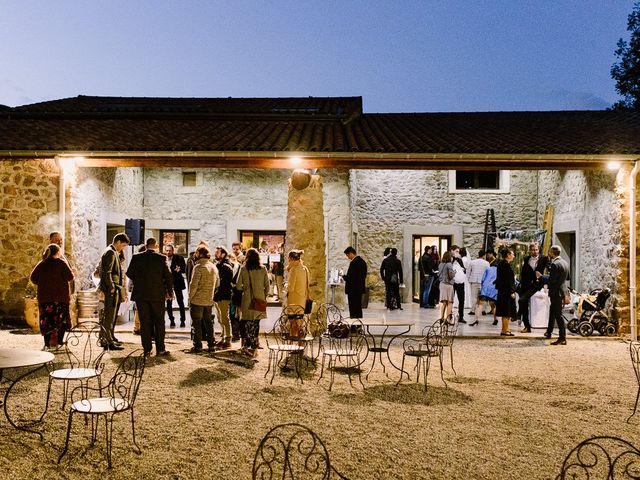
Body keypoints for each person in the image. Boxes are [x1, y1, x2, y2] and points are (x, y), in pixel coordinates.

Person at [127, 237, 174, 356]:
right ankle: (160, 349)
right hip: (157, 294)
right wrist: (169, 291)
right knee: (159, 321)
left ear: (146, 245)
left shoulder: (136, 257)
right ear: (156, 245)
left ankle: (147, 349)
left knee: (144, 321)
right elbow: (168, 276)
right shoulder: (161, 258)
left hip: (141, 294)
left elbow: (130, 274)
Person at [30, 243, 74, 349]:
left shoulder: (42, 263)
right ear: (58, 252)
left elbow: (33, 278)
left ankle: (46, 343)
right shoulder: (61, 263)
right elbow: (70, 277)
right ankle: (59, 341)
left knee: (46, 320)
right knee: (61, 320)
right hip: (60, 298)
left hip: (45, 298)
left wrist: (42, 283)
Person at [98, 232, 130, 350]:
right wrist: (111, 287)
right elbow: (107, 272)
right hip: (112, 289)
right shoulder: (110, 252)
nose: (123, 248)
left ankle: (110, 336)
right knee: (109, 315)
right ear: (118, 242)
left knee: (112, 315)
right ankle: (107, 341)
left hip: (115, 288)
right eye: (123, 245)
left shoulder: (112, 252)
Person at [237, 248, 269, 357]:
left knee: (247, 323)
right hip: (259, 299)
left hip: (247, 299)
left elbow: (238, 285)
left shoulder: (244, 269)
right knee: (256, 323)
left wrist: (245, 289)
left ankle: (249, 346)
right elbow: (267, 286)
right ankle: (254, 347)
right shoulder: (263, 269)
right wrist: (263, 295)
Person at [189, 245, 218, 353]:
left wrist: (190, 297)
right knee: (209, 323)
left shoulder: (198, 267)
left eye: (196, 253)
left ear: (200, 254)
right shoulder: (213, 267)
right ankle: (211, 345)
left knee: (196, 323)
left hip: (197, 300)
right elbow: (217, 283)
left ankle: (198, 346)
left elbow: (193, 285)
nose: (194, 255)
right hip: (209, 300)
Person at [538, 245, 570, 345]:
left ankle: (562, 337)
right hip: (562, 290)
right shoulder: (565, 262)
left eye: (550, 252)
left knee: (558, 315)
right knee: (552, 312)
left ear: (552, 253)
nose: (549, 254)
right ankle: (549, 332)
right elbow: (566, 278)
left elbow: (552, 281)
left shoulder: (555, 264)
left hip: (556, 292)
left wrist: (541, 277)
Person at [517, 243, 549, 333]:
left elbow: (549, 269)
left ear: (539, 250)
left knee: (521, 300)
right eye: (533, 250)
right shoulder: (526, 258)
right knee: (524, 303)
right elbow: (523, 272)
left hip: (536, 285)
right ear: (530, 250)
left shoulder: (544, 258)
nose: (535, 251)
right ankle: (527, 326)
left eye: (536, 250)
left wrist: (546, 281)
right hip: (525, 284)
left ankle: (519, 315)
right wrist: (521, 283)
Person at [214, 245, 233, 349]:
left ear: (223, 254)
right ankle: (223, 336)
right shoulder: (219, 265)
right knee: (220, 317)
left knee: (224, 317)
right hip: (218, 295)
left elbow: (223, 283)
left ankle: (228, 338)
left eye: (218, 252)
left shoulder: (226, 267)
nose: (216, 254)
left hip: (223, 295)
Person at [495, 248, 517, 336]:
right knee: (506, 311)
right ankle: (504, 330)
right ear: (508, 255)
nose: (514, 256)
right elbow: (507, 281)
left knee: (506, 311)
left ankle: (506, 329)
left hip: (503, 291)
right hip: (506, 292)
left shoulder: (502, 264)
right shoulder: (505, 265)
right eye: (512, 254)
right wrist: (511, 291)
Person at [342, 246, 368, 319]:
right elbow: (363, 275)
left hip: (353, 289)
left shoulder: (354, 263)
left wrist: (344, 277)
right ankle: (359, 325)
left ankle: (354, 325)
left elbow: (351, 277)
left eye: (347, 255)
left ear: (350, 253)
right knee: (358, 308)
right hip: (359, 288)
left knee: (353, 308)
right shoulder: (362, 262)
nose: (348, 257)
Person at [165, 244, 187, 328]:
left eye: (169, 250)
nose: (168, 252)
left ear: (173, 251)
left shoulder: (179, 258)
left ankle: (182, 320)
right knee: (169, 303)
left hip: (177, 282)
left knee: (180, 302)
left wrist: (179, 269)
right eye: (167, 250)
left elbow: (183, 269)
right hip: (168, 284)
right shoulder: (163, 259)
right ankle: (171, 320)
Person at [475, 250, 498, 326]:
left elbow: (483, 278)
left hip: (485, 287)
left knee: (480, 304)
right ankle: (495, 319)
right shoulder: (499, 271)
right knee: (493, 305)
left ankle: (476, 319)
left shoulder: (488, 269)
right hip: (493, 288)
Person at [467, 249, 489, 325]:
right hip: (483, 281)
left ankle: (473, 310)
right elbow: (488, 273)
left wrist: (468, 279)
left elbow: (468, 271)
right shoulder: (486, 263)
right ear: (483, 255)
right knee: (483, 297)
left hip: (474, 280)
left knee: (474, 296)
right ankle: (483, 310)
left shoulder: (472, 262)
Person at [450, 245, 467, 323]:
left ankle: (461, 316)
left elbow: (464, 269)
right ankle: (449, 315)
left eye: (458, 251)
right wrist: (453, 259)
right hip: (452, 282)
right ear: (452, 251)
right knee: (450, 300)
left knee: (461, 299)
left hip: (460, 282)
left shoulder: (460, 260)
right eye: (456, 251)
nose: (458, 253)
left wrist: (458, 260)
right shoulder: (449, 258)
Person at [437, 251, 455, 322]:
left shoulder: (441, 264)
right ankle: (447, 319)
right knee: (450, 302)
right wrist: (454, 273)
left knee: (444, 302)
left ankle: (441, 318)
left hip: (442, 284)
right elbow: (451, 275)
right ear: (449, 257)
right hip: (448, 284)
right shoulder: (449, 264)